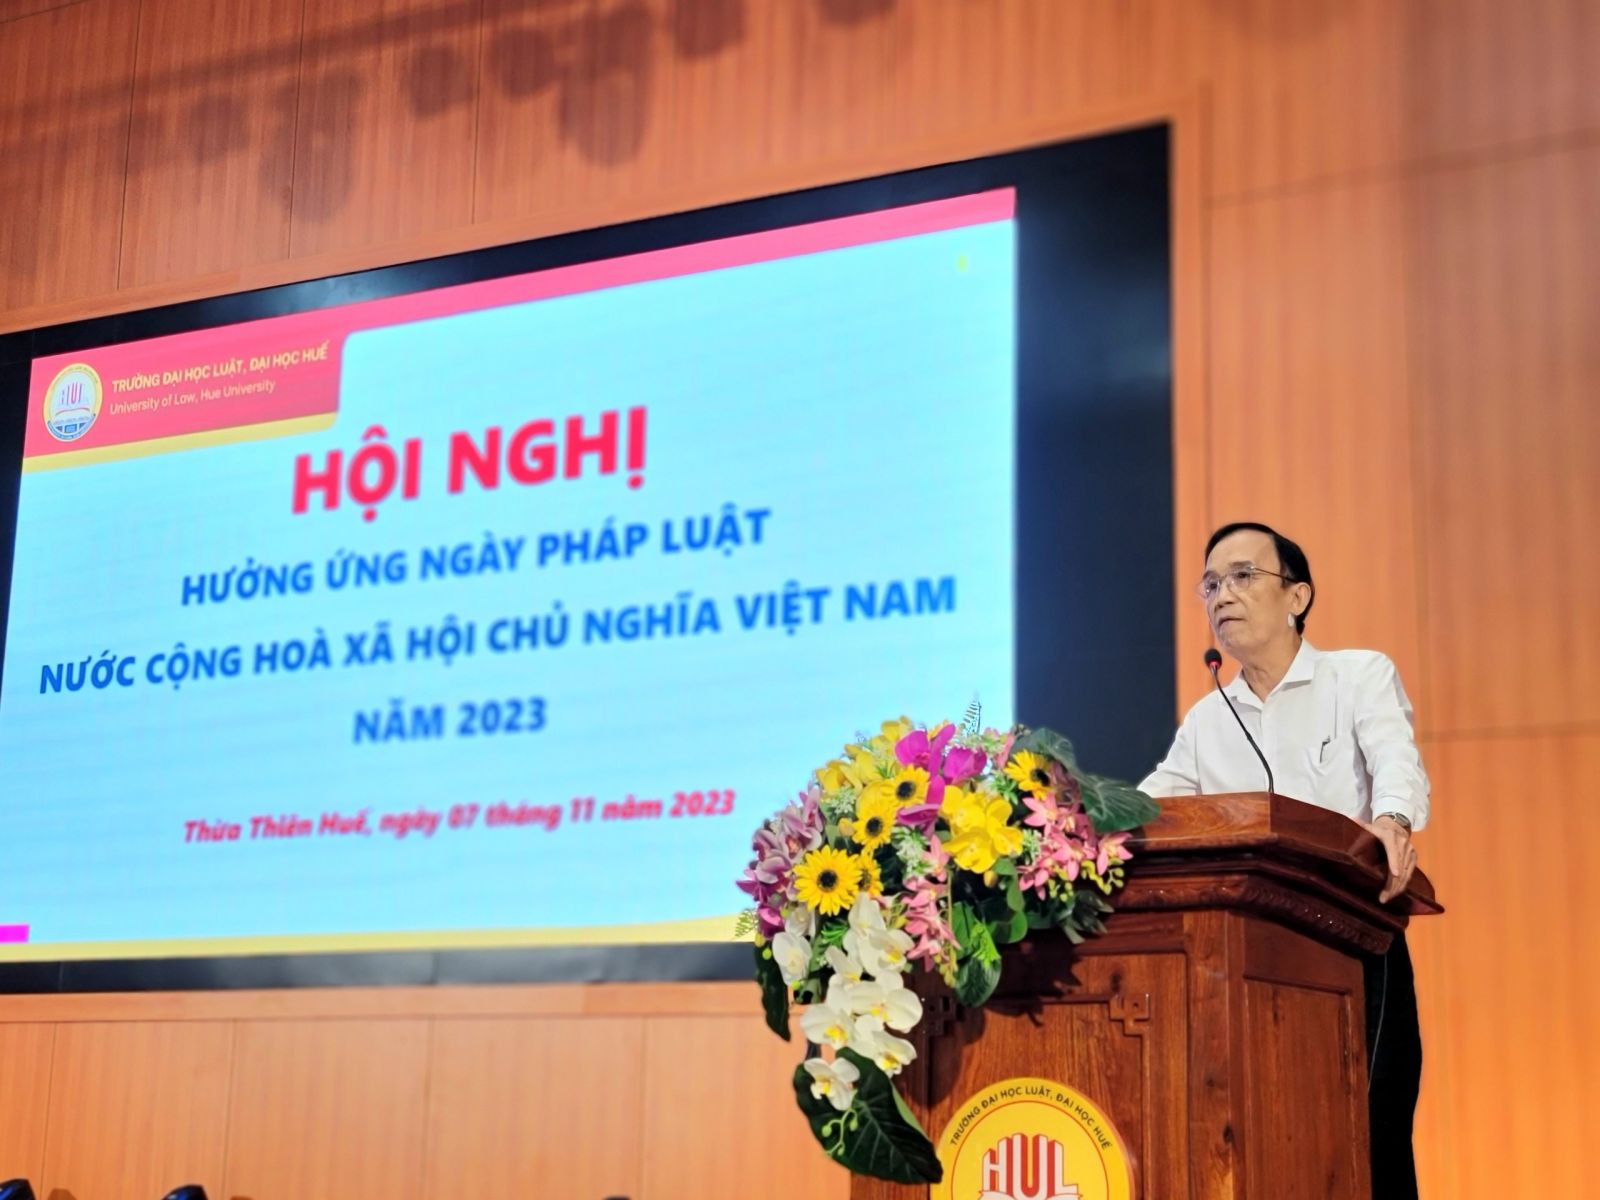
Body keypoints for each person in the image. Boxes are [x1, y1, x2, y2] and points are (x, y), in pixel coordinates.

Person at [1140, 520, 1427, 1200]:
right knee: (1275, 1141)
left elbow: (1395, 757)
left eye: (1242, 576)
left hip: (1352, 938)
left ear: (1297, 596)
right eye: (1211, 584)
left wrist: (1392, 818)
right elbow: (1150, 808)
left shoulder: (1357, 676)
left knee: (1368, 1141)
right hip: (1252, 961)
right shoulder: (1209, 719)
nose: (1222, 595)